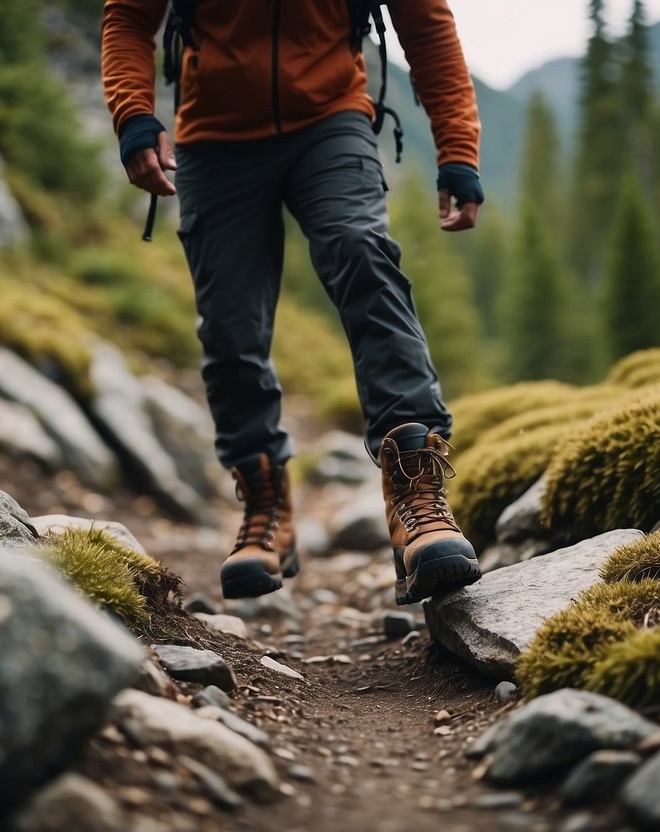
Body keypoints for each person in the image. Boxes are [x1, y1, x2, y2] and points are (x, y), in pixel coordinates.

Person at [102, 0, 485, 605]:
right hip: (215, 136)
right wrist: (134, 114)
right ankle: (265, 505)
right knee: (230, 323)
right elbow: (127, 15)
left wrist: (458, 151)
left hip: (330, 120)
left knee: (362, 253)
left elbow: (426, 24)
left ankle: (417, 495)